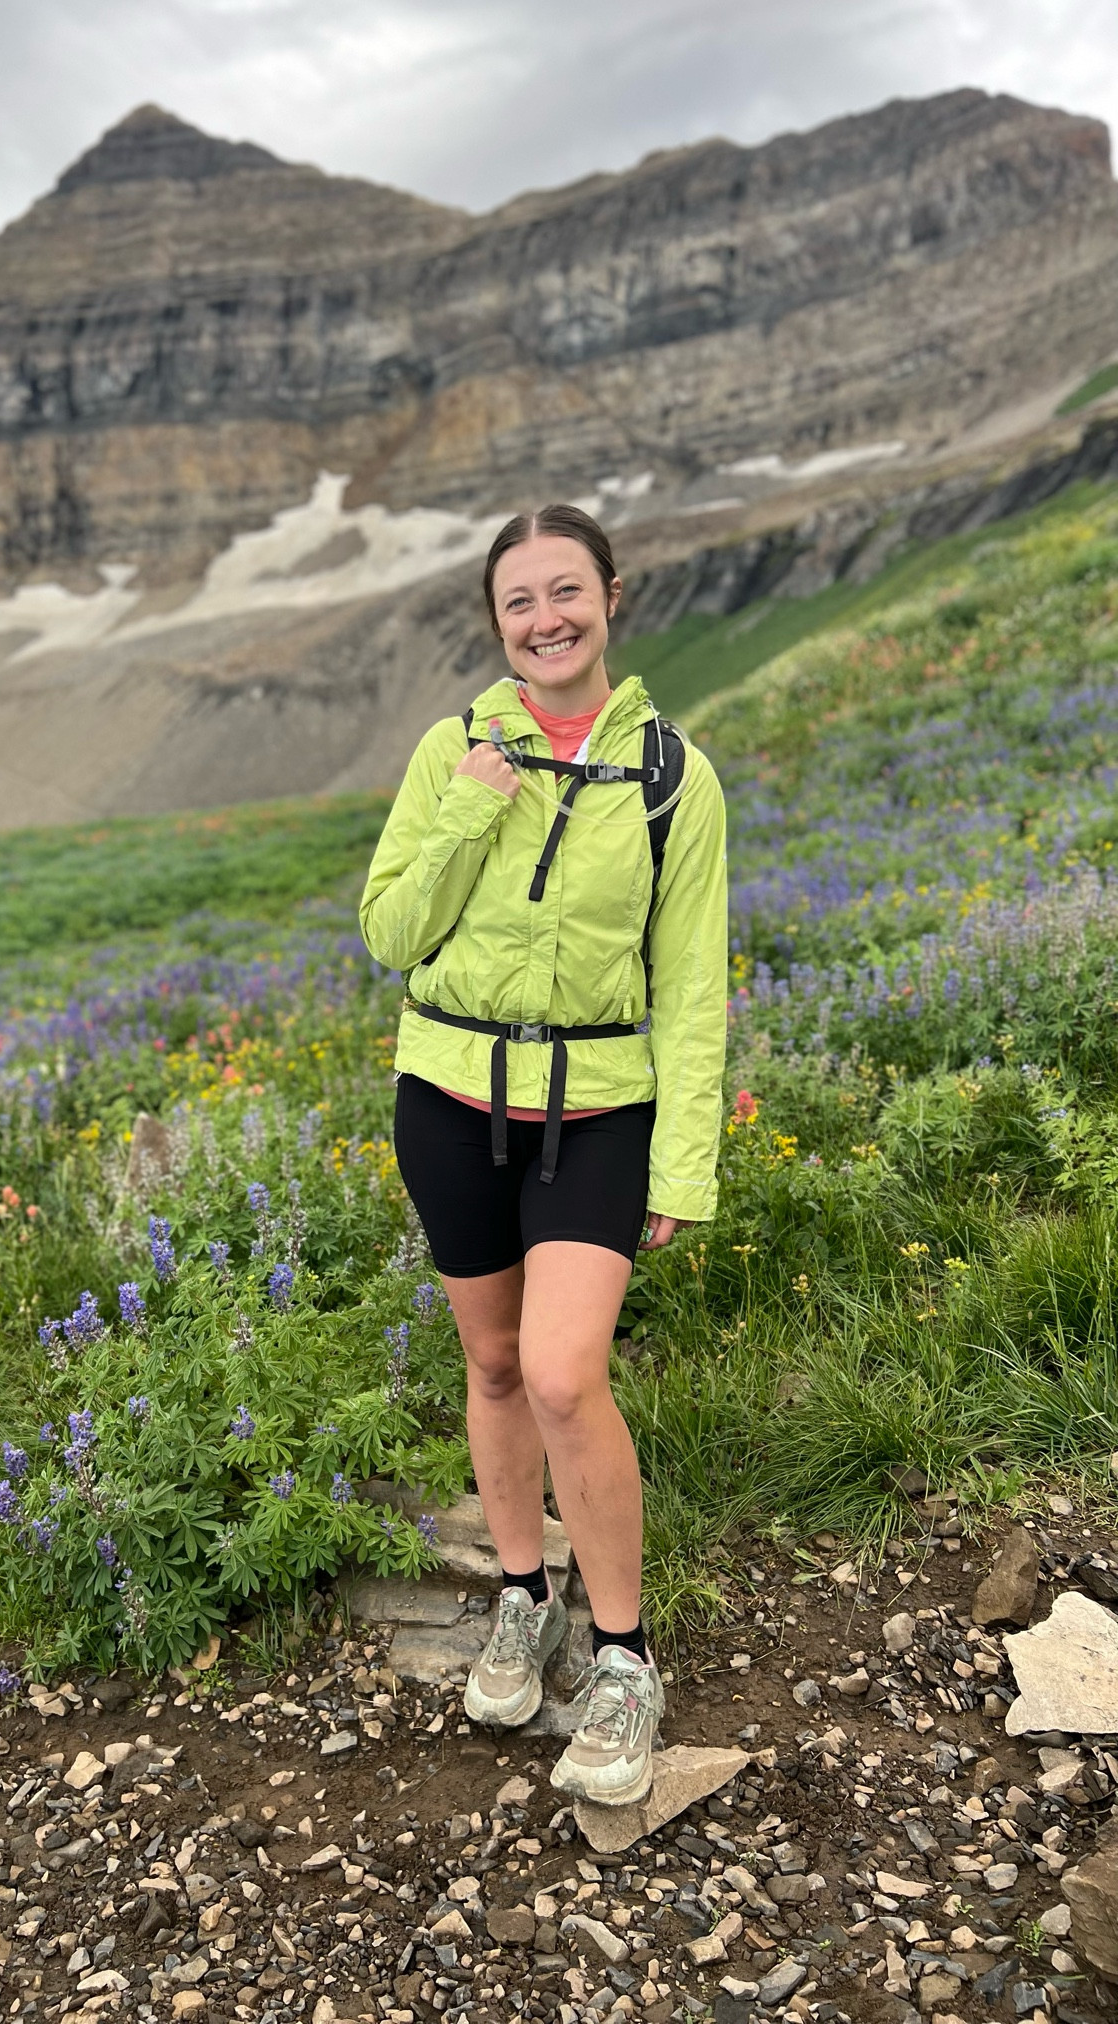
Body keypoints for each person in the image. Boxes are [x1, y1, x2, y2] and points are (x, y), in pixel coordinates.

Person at [359, 504, 727, 1804]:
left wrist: (683, 1169)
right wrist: (468, 812)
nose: (544, 619)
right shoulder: (450, 748)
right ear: (497, 621)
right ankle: (524, 1595)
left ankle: (624, 1660)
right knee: (498, 1363)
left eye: (565, 591)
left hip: (599, 1109)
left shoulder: (674, 775)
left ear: (610, 599)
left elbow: (688, 986)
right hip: (448, 1095)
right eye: (520, 602)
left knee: (570, 1377)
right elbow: (390, 935)